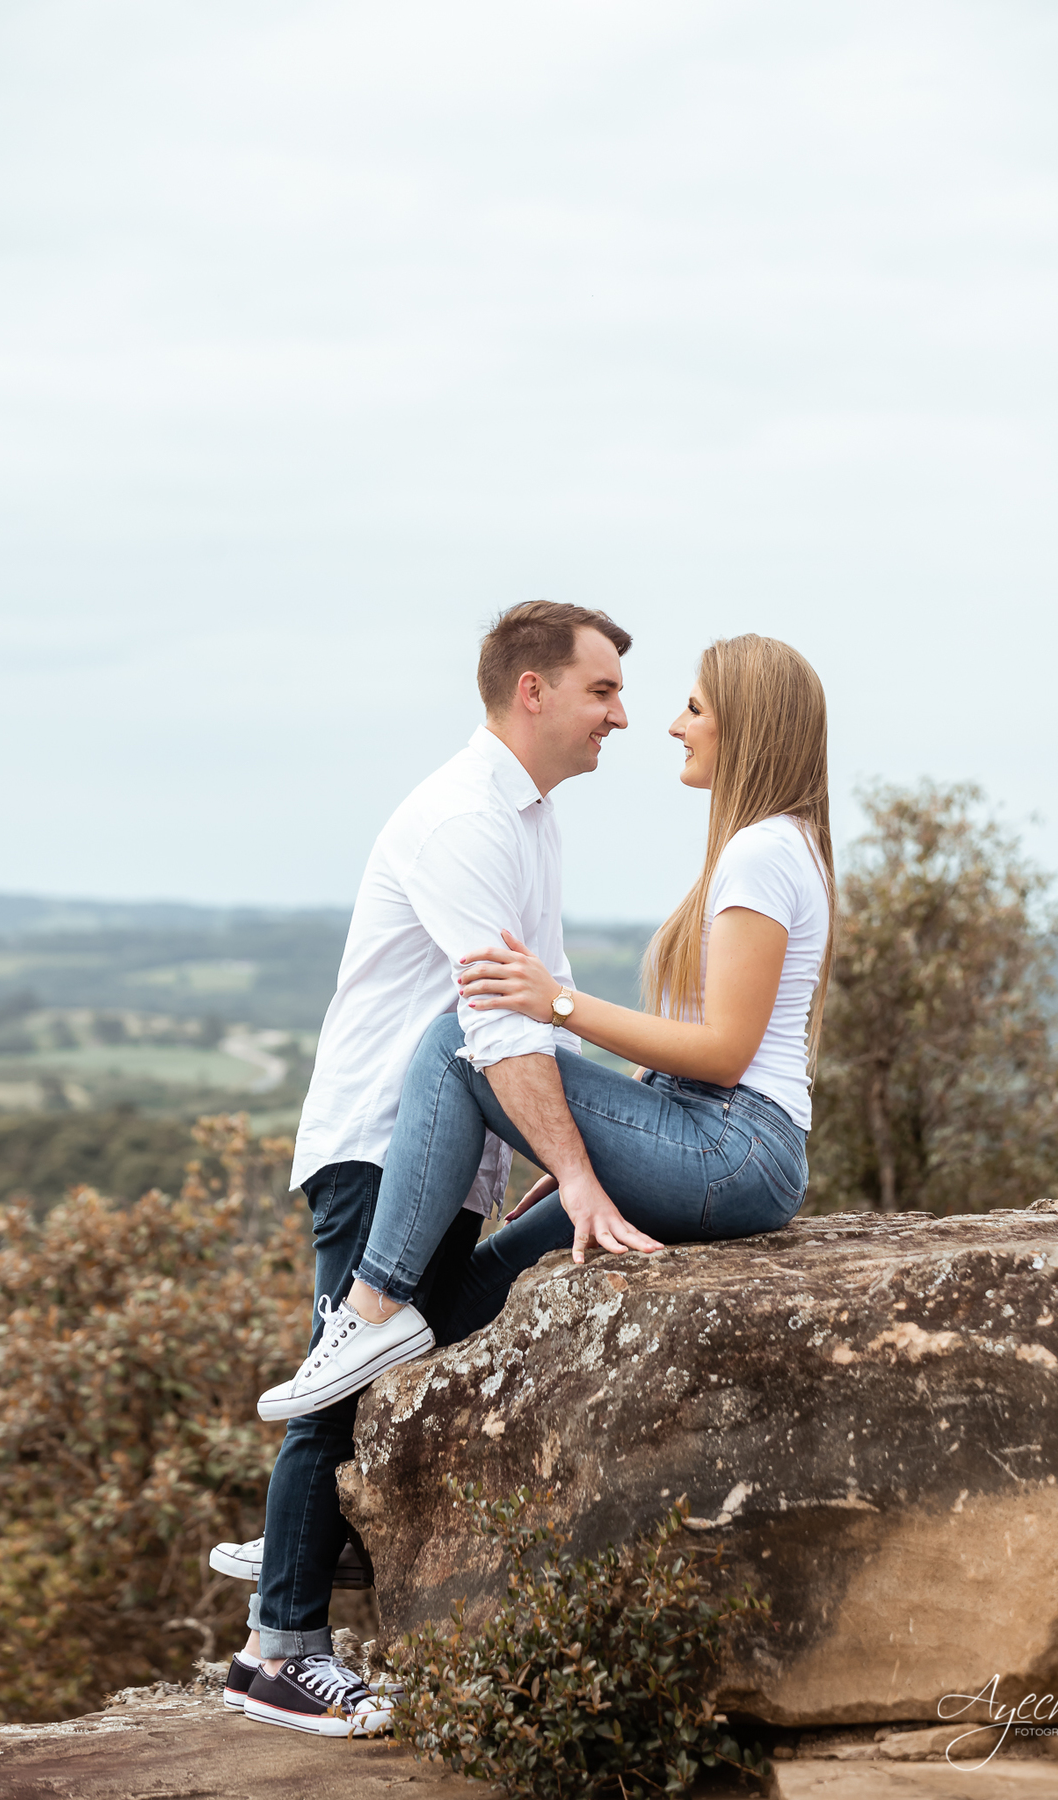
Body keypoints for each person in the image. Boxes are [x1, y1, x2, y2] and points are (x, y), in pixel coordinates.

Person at [214, 600, 636, 1737]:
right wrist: (574, 1162)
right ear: (531, 691)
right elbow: (491, 1028)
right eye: (602, 691)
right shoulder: (463, 820)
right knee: (340, 1377)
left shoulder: (529, 820)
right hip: (376, 1147)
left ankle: (305, 1539)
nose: (622, 717)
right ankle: (278, 1648)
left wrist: (560, 1153)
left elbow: (543, 1009)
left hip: (451, 1157)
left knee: (447, 1321)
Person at [259, 631, 834, 1416]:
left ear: (748, 724)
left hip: (732, 1151)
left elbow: (727, 1054)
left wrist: (554, 1003)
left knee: (458, 1041)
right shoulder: (774, 846)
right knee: (465, 1300)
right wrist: (576, 1142)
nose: (671, 725)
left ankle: (371, 1306)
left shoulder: (762, 852)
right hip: (718, 1143)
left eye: (694, 708)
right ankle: (314, 1529)